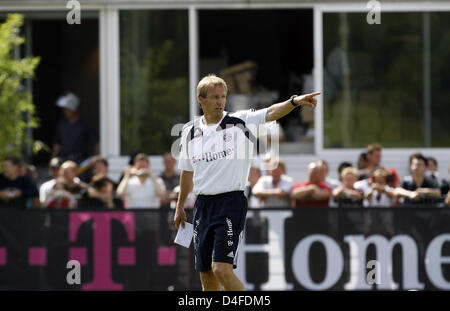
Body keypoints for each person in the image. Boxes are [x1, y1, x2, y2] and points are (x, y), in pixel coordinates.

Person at [174, 74, 319, 291]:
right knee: (206, 274)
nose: (220, 102)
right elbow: (187, 172)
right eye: (214, 97)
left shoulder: (238, 121)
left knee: (221, 269)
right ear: (200, 99)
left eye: (223, 96)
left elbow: (270, 112)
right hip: (203, 206)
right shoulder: (189, 132)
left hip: (230, 203)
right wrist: (180, 205)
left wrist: (294, 101)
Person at [52, 92, 99, 164]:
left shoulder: (85, 124)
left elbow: (96, 143)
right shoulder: (62, 124)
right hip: (64, 160)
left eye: (67, 108)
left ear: (75, 108)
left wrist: (96, 159)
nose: (65, 111)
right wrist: (53, 159)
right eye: (65, 109)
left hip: (81, 161)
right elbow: (58, 144)